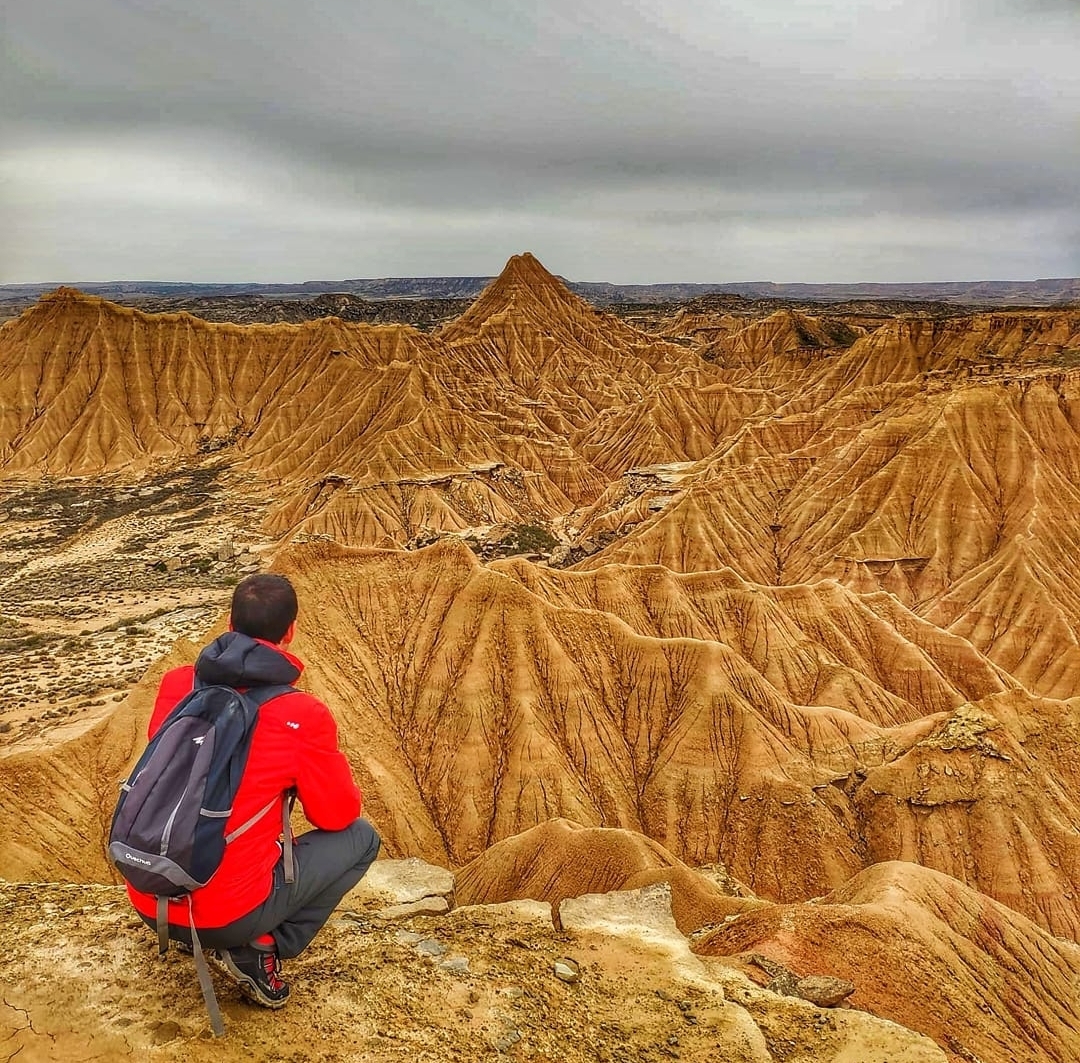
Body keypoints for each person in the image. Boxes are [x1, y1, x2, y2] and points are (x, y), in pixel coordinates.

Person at [125, 573, 380, 1008]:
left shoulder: (177, 686)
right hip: (226, 916)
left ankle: (211, 935)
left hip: (151, 895)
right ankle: (258, 948)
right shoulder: (299, 713)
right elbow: (334, 816)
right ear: (290, 631)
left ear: (229, 623)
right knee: (362, 838)